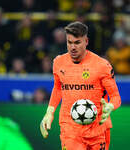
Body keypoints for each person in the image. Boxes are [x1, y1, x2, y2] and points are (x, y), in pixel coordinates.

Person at [40, 21, 121, 150]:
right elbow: (58, 87)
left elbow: (116, 97)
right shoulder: (58, 62)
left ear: (86, 41)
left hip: (98, 128)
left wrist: (110, 106)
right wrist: (49, 112)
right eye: (69, 42)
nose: (72, 47)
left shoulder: (102, 66)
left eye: (77, 43)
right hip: (70, 128)